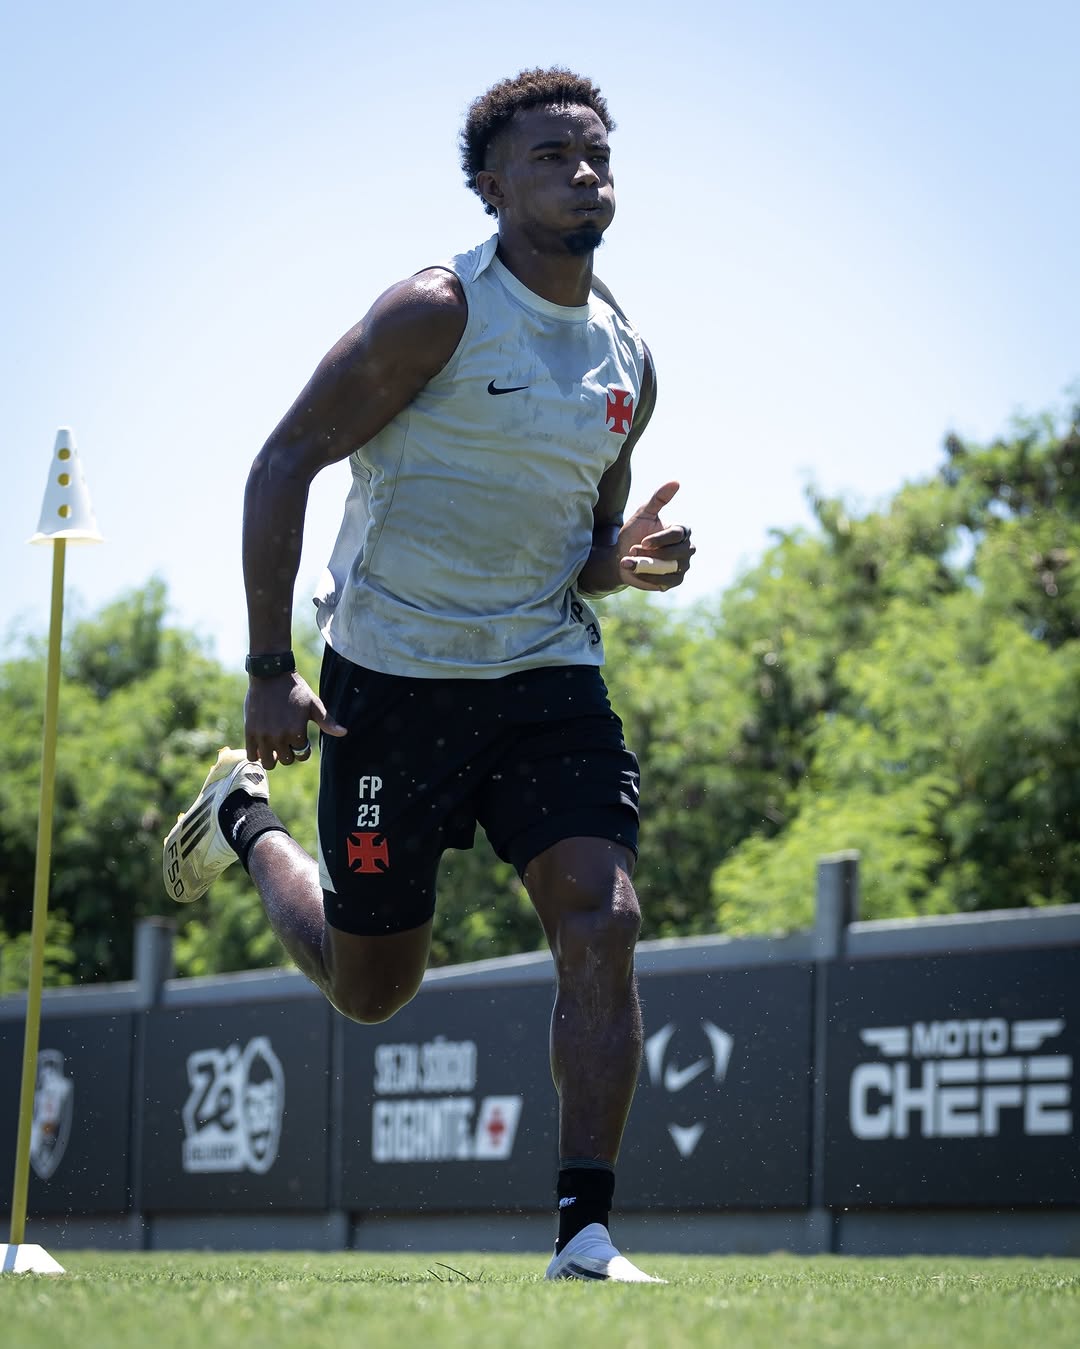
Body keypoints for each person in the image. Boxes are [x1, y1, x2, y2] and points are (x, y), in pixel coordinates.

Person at [164, 67, 694, 1282]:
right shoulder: (436, 311)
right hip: (392, 682)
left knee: (605, 917)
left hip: (545, 678)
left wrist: (623, 562)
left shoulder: (629, 359)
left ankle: (585, 1233)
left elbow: (585, 551)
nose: (584, 171)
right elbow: (280, 462)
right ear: (492, 186)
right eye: (552, 155)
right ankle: (243, 816)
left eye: (597, 153)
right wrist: (268, 670)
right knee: (372, 991)